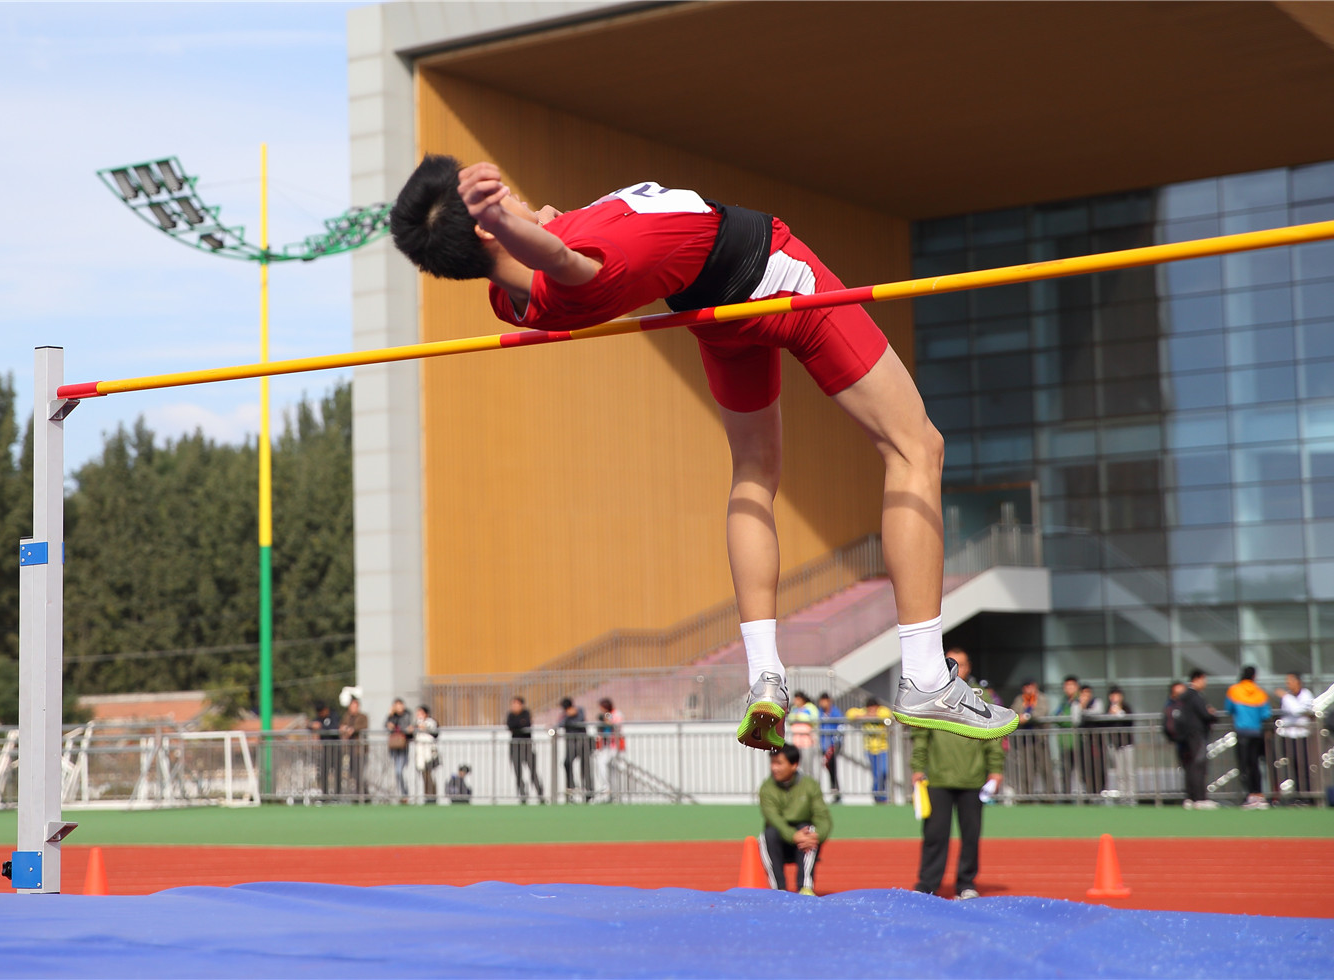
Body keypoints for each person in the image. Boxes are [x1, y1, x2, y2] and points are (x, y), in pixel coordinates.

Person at [388, 157, 1018, 753]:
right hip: (778, 274)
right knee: (916, 447)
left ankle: (767, 678)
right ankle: (925, 674)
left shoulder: (516, 293)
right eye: (498, 204)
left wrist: (524, 224)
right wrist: (509, 223)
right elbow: (559, 258)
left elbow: (546, 250)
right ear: (487, 228)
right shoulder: (567, 274)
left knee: (754, 473)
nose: (519, 199)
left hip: (715, 313)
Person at [911, 653, 1004, 899]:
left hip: (972, 779)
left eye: (961, 664)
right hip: (938, 779)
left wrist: (995, 770)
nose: (957, 668)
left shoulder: (979, 697)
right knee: (934, 835)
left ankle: (965, 883)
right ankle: (928, 883)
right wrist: (918, 767)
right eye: (952, 663)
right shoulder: (934, 696)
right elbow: (921, 736)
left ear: (968, 667)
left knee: (970, 836)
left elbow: (992, 735)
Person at [758, 744, 832, 895]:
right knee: (767, 835)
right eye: (772, 763)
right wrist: (793, 835)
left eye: (779, 763)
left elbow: (823, 817)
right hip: (779, 841)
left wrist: (817, 836)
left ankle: (805, 887)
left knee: (809, 830)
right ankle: (778, 889)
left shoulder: (810, 785)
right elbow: (774, 819)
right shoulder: (767, 788)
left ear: (794, 765)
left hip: (803, 843)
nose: (774, 768)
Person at [1226, 666, 1273, 810]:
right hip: (1256, 732)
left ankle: (1248, 796)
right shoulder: (1260, 693)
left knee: (1243, 765)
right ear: (1254, 676)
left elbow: (1229, 709)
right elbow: (1266, 714)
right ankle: (1258, 794)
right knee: (1255, 764)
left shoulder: (1234, 690)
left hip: (1242, 731)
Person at [1175, 671, 1219, 809]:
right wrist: (1212, 714)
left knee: (1190, 766)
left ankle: (1190, 797)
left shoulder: (1183, 697)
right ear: (1197, 679)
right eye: (1203, 680)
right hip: (1197, 735)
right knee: (1199, 765)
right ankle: (1200, 798)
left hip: (1186, 736)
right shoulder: (1196, 696)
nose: (1205, 683)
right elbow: (1206, 714)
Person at [1273, 673, 1316, 799]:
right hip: (1289, 736)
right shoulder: (1289, 696)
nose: (1288, 684)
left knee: (1304, 766)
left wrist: (1285, 697)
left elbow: (1298, 711)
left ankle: (1307, 795)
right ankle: (1297, 795)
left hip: (1302, 736)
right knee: (1293, 766)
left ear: (1298, 682)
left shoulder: (1306, 694)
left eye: (1290, 681)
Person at [1011, 679, 1053, 796]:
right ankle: (1027, 795)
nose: (1028, 689)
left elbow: (1042, 712)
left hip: (1040, 738)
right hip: (1025, 740)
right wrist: (1020, 717)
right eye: (1025, 686)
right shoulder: (1020, 699)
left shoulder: (1042, 698)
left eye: (1030, 686)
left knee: (1045, 767)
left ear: (1035, 686)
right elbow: (1013, 712)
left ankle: (1050, 795)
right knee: (1027, 768)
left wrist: (1027, 717)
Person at [846, 697, 893, 804]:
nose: (872, 711)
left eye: (874, 709)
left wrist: (870, 716)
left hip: (882, 747)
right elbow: (850, 714)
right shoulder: (863, 711)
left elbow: (887, 714)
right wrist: (865, 715)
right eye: (870, 709)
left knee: (884, 771)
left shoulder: (882, 710)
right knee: (876, 774)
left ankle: (880, 793)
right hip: (870, 749)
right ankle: (878, 796)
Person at [506, 695, 545, 804]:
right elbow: (510, 725)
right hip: (514, 746)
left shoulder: (526, 713)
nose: (514, 706)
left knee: (533, 771)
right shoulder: (510, 715)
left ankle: (540, 794)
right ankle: (523, 794)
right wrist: (519, 725)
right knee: (517, 772)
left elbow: (526, 724)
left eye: (516, 704)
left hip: (527, 746)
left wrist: (518, 726)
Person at [1104, 687, 1137, 803]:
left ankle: (1131, 796)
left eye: (1117, 695)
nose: (1115, 698)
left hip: (1127, 743)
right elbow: (1104, 725)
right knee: (1120, 772)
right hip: (1115, 744)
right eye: (1112, 695)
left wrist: (1119, 712)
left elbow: (1130, 721)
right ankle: (1122, 796)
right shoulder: (1107, 709)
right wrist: (1110, 714)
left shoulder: (1126, 707)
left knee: (1130, 772)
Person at [559, 697, 594, 802]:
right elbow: (560, 724)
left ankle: (589, 791)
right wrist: (567, 717)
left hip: (583, 742)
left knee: (585, 766)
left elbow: (580, 720)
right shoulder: (564, 715)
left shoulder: (580, 710)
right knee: (567, 763)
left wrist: (569, 717)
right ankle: (571, 787)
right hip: (571, 743)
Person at [1052, 676, 1082, 795]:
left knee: (1083, 771)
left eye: (1071, 686)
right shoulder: (1064, 701)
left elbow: (1074, 720)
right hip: (1065, 742)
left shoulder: (1080, 700)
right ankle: (1067, 796)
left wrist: (1063, 719)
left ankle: (1086, 796)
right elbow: (1056, 717)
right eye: (1066, 686)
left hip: (1079, 742)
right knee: (1066, 771)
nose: (1069, 688)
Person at [593, 697, 625, 803]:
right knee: (602, 765)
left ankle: (609, 788)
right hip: (605, 745)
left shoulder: (616, 713)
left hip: (614, 745)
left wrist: (607, 720)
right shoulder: (605, 715)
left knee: (605, 764)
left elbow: (615, 724)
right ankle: (607, 789)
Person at [308, 700, 342, 800]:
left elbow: (334, 728)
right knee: (323, 772)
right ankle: (325, 795)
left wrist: (322, 727)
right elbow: (311, 724)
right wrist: (311, 725)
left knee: (337, 772)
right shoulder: (319, 718)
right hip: (325, 749)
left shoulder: (334, 715)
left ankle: (337, 796)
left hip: (335, 748)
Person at [340, 696, 371, 800]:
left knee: (360, 773)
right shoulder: (346, 716)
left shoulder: (363, 716)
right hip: (350, 749)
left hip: (360, 749)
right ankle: (359, 794)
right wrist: (344, 728)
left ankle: (363, 795)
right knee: (353, 773)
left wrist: (354, 729)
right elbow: (342, 725)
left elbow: (364, 726)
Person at [787, 692, 822, 781]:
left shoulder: (810, 707)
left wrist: (799, 717)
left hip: (807, 741)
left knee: (808, 766)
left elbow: (814, 719)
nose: (795, 701)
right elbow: (790, 719)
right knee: (799, 766)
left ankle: (811, 784)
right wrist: (797, 717)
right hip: (796, 741)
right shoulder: (794, 709)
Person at [817, 692, 844, 804]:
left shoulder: (836, 712)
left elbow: (841, 725)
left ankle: (836, 791)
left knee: (833, 768)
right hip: (824, 745)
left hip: (833, 745)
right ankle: (834, 791)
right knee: (829, 768)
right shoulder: (820, 713)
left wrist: (837, 741)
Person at [385, 698, 414, 802]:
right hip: (394, 746)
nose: (398, 707)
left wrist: (396, 725)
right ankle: (402, 793)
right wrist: (391, 716)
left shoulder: (407, 714)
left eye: (400, 705)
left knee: (399, 771)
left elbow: (406, 727)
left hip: (403, 746)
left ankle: (404, 793)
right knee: (397, 772)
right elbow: (386, 726)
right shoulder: (392, 716)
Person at [411, 704, 440, 802]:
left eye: (420, 712)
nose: (418, 715)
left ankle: (432, 796)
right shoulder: (416, 723)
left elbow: (435, 733)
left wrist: (424, 728)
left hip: (429, 753)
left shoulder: (431, 722)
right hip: (420, 754)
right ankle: (427, 795)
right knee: (424, 776)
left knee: (429, 775)